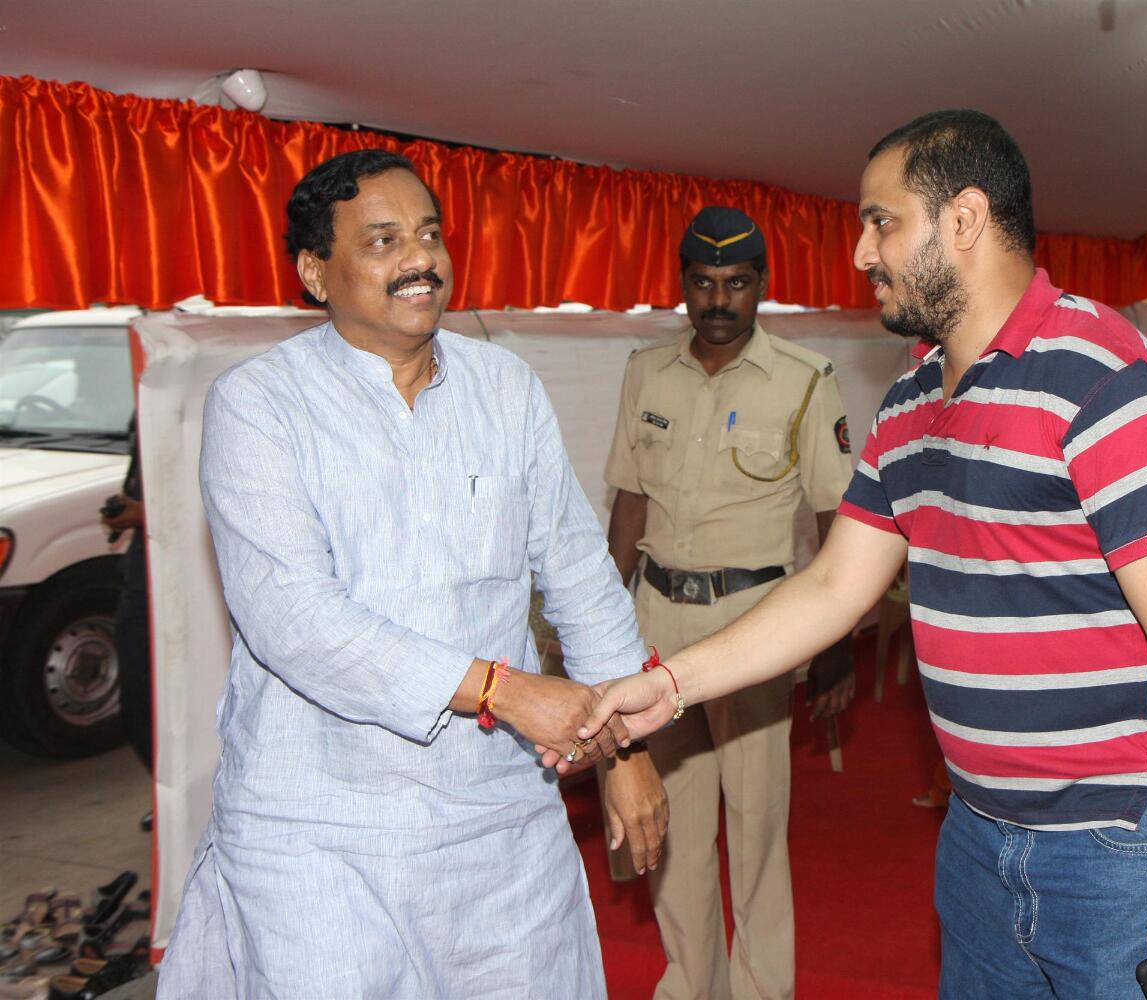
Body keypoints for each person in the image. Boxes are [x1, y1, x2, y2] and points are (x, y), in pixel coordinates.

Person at [580, 110, 1147, 1000]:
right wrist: (667, 686)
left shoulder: (1109, 375)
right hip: (979, 834)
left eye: (881, 221)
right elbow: (832, 586)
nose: (862, 253)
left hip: (1125, 841)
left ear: (965, 220)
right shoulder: (907, 400)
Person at [157, 149, 667, 1000]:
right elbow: (295, 619)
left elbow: (578, 571)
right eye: (384, 240)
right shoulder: (259, 405)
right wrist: (502, 688)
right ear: (315, 272)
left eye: (429, 234)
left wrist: (628, 749)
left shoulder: (504, 387)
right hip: (319, 826)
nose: (420, 259)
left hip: (496, 811)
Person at [603, 206, 856, 1000]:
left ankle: (758, 991)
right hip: (657, 624)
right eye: (705, 284)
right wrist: (605, 632)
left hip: (755, 630)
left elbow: (837, 520)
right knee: (666, 823)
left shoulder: (805, 379)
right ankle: (690, 983)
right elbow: (629, 506)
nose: (720, 301)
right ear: (683, 286)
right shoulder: (646, 372)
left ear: (762, 288)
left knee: (754, 829)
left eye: (737, 284)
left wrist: (838, 647)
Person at [100, 415, 152, 830]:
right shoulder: (146, 403)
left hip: (180, 583)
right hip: (142, 575)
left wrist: (145, 514)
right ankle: (168, 795)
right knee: (139, 705)